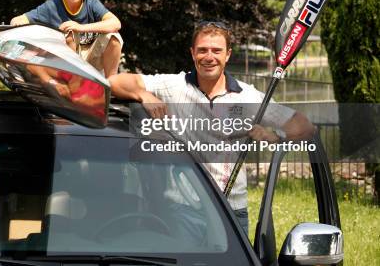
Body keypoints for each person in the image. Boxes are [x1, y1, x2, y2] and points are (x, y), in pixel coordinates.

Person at [108, 21, 315, 235]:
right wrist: (144, 95)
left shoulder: (248, 96)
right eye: (202, 50)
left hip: (232, 210)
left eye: (217, 50)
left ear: (228, 55)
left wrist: (274, 136)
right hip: (183, 210)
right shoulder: (173, 86)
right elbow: (115, 81)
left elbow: (304, 125)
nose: (209, 57)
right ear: (192, 53)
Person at [10, 0, 123, 77]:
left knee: (114, 36)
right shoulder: (51, 6)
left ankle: (112, 84)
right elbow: (19, 19)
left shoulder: (92, 4)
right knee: (69, 34)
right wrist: (16, 24)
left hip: (91, 60)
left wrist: (80, 27)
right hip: (64, 63)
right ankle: (70, 79)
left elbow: (116, 23)